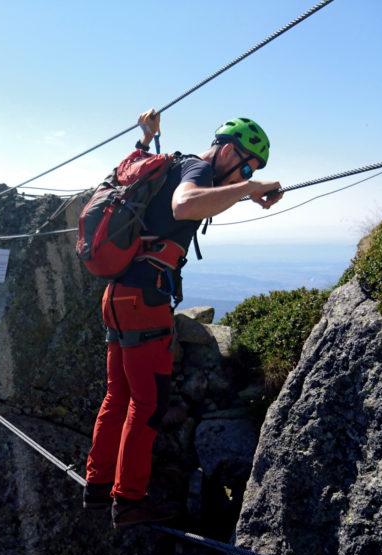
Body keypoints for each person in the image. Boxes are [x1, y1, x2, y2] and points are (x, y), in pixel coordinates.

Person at [83, 109, 284, 528]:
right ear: (228, 151)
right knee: (147, 404)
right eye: (246, 163)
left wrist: (146, 138)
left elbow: (155, 192)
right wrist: (249, 186)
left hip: (117, 294)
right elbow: (185, 204)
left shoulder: (174, 165)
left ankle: (98, 488)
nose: (246, 172)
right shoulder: (197, 169)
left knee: (117, 396)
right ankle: (129, 500)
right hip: (145, 301)